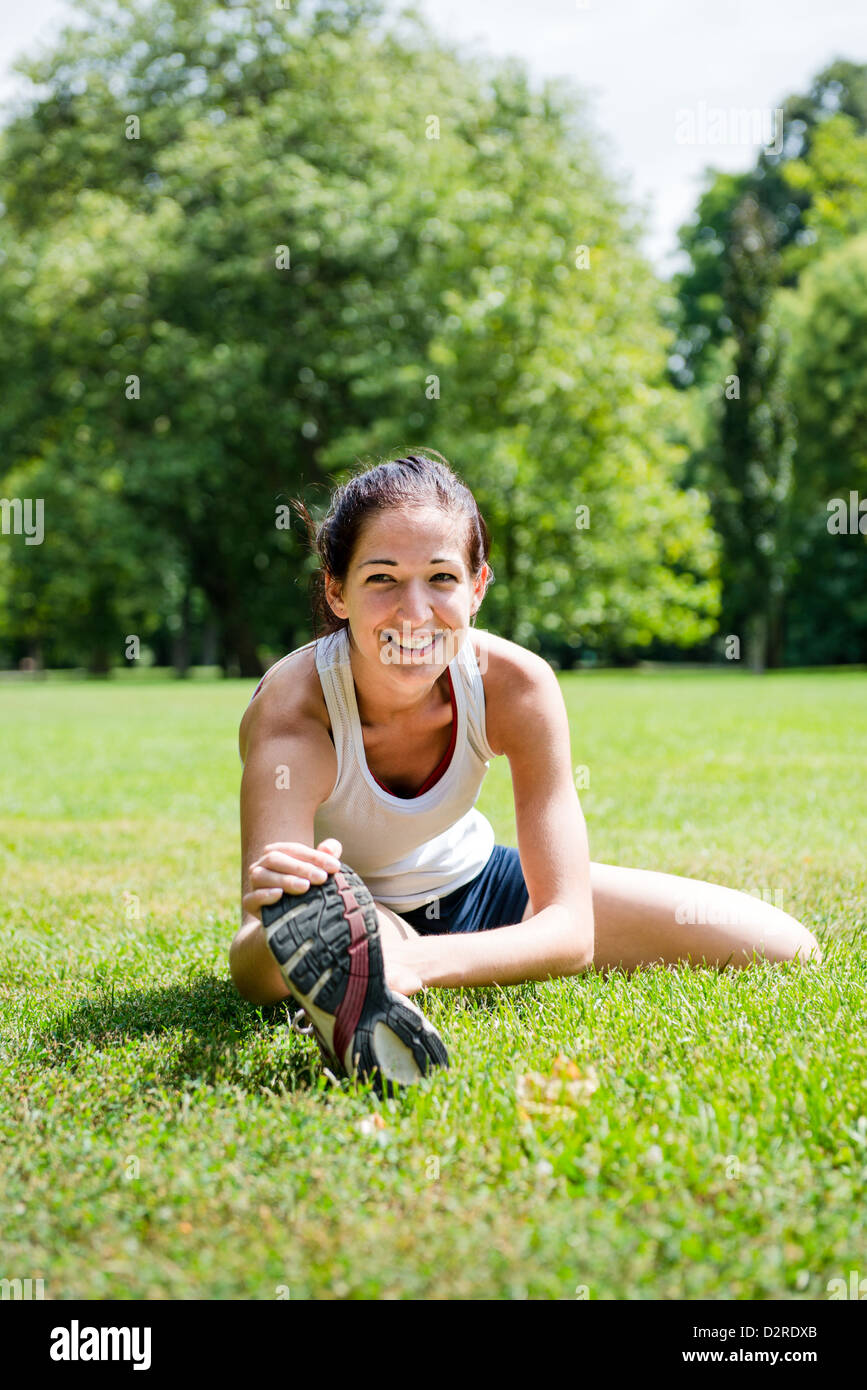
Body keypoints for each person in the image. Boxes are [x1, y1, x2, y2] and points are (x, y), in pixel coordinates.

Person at [230, 451, 822, 1092]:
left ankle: (368, 983)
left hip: (484, 887)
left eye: (441, 578)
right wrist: (295, 925)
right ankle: (355, 979)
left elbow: (569, 932)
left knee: (785, 949)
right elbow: (250, 962)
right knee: (341, 937)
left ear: (477, 586)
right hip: (355, 913)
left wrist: (415, 962)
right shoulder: (296, 711)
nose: (415, 611)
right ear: (336, 590)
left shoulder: (516, 685)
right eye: (382, 579)